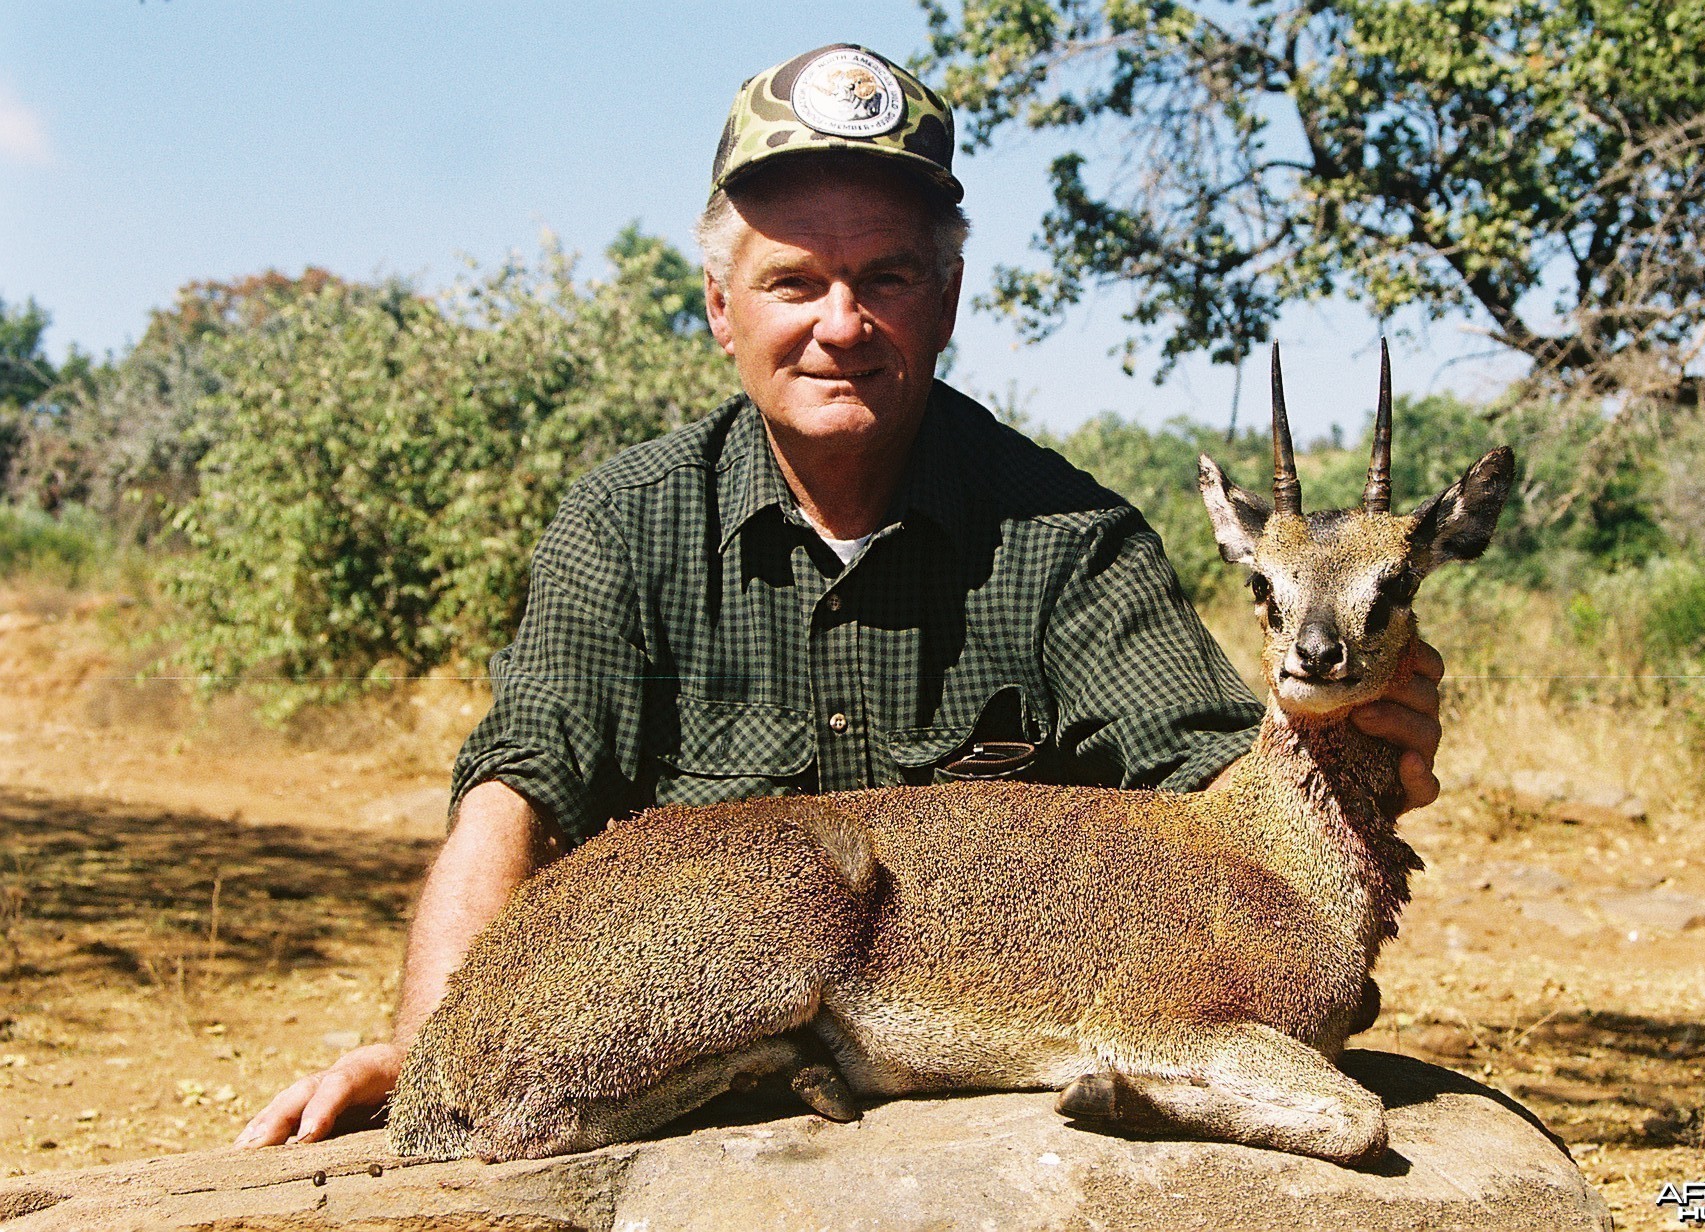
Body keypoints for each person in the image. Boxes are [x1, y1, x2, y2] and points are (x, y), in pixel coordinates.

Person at [236, 43, 1445, 1149]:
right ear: (719, 308)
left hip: (913, 1044)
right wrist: (434, 1045)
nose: (841, 325)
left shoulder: (1069, 535)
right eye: (793, 282)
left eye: (886, 275)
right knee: (772, 892)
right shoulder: (628, 521)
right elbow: (513, 794)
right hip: (699, 982)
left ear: (947, 302)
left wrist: (1345, 744)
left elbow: (1209, 787)